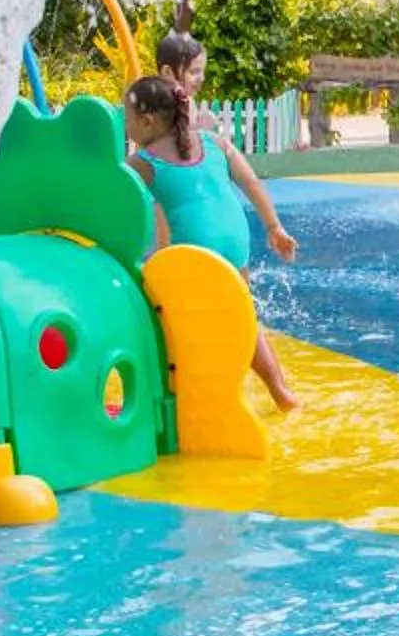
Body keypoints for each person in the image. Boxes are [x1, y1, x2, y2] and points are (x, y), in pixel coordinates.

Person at [122, 75, 301, 409]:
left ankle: (193, 397)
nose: (125, 125)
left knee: (179, 320)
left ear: (146, 121)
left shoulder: (143, 161)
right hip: (234, 241)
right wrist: (274, 227)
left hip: (196, 248)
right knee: (242, 317)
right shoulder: (216, 143)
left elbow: (113, 193)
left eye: (127, 119)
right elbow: (250, 181)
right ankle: (281, 393)